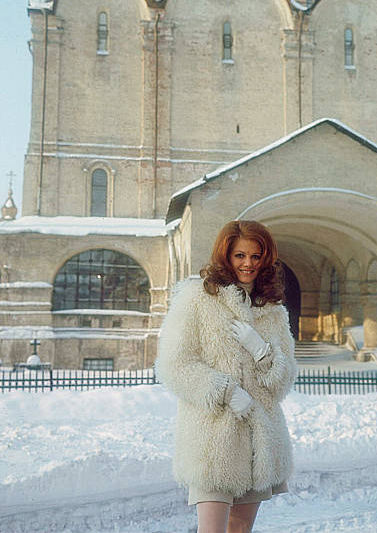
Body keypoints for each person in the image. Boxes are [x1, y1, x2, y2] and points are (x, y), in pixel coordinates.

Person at [155, 220, 298, 533]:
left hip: (259, 438)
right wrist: (226, 391)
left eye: (255, 256)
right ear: (226, 257)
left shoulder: (273, 310)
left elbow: (284, 381)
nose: (248, 263)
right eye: (240, 256)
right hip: (212, 439)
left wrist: (263, 353)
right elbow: (174, 364)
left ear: (265, 259)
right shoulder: (198, 299)